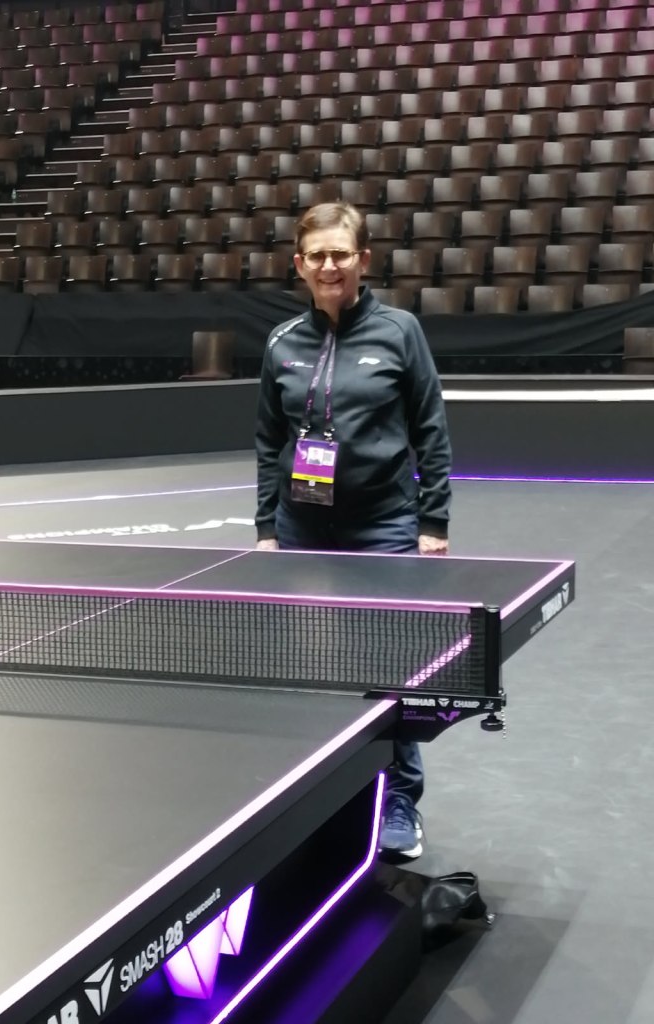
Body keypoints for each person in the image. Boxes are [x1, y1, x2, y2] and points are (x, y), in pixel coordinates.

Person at [254, 202, 452, 859]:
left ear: (363, 260)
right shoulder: (282, 341)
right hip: (302, 528)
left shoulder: (399, 332)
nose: (329, 266)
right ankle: (326, 790)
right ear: (299, 264)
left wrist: (433, 522)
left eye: (341, 254)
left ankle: (398, 798)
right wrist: (266, 528)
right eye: (317, 256)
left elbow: (430, 428)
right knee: (314, 663)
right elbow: (269, 441)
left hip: (383, 525)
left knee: (387, 666)